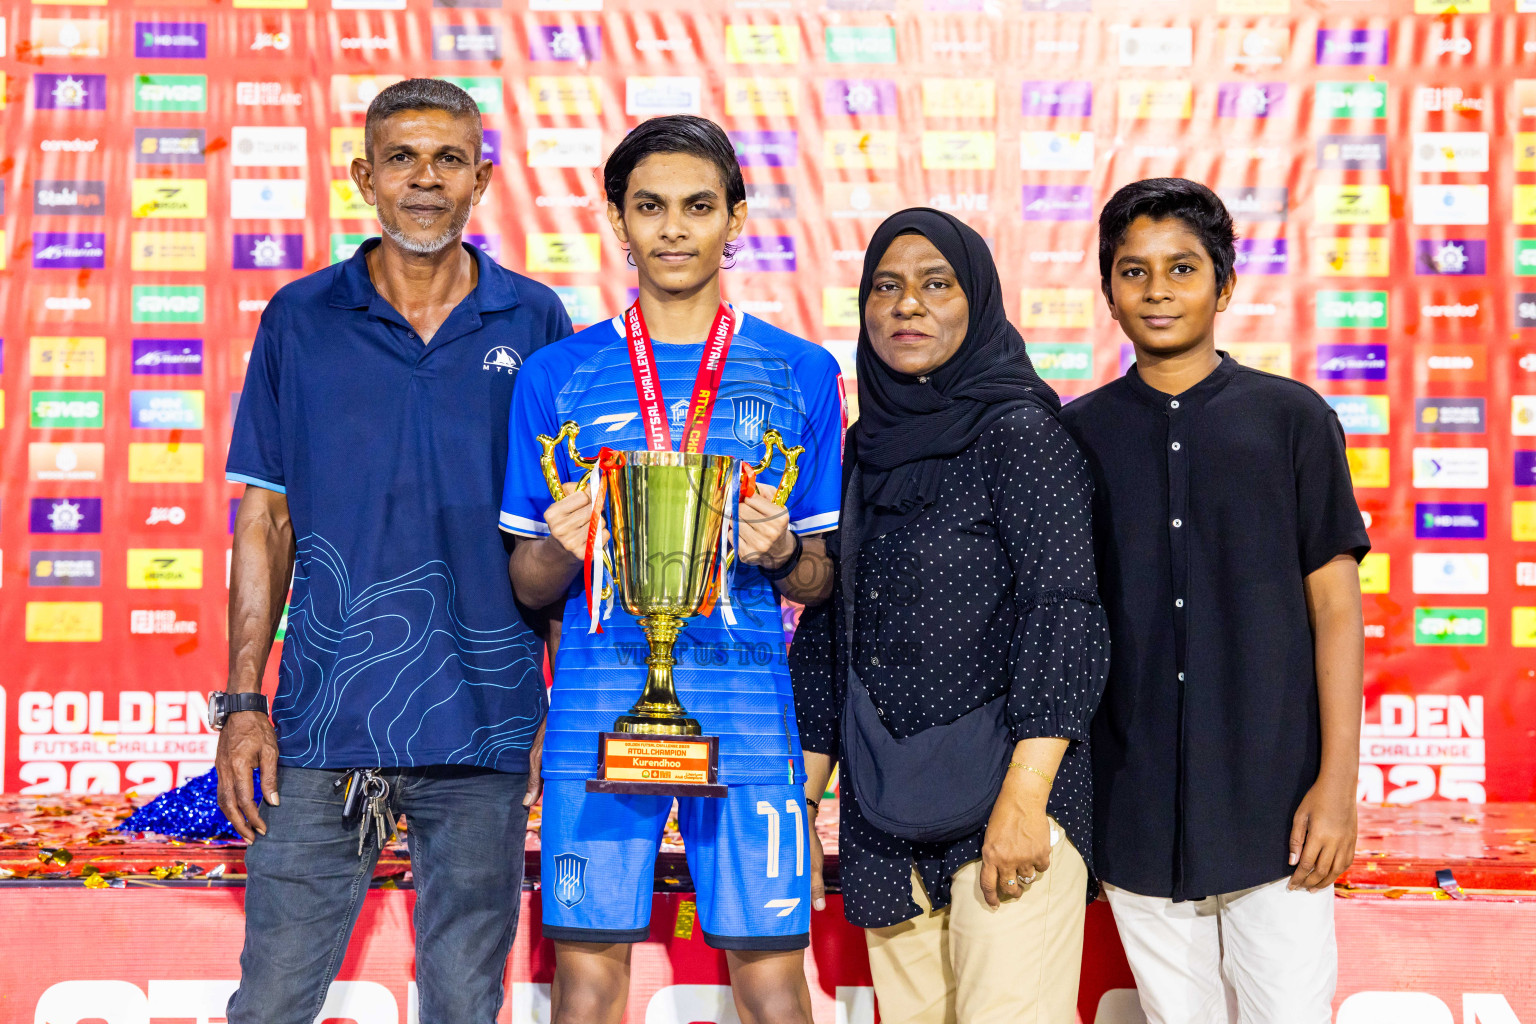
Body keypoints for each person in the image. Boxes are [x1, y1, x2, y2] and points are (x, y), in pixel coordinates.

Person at [217, 78, 573, 1023]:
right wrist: (245, 705)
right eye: (403, 158)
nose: (425, 179)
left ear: (482, 179)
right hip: (316, 729)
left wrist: (560, 704)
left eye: (448, 159)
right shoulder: (299, 317)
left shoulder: (535, 322)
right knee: (271, 1003)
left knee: (464, 1005)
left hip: (488, 722)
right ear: (363, 176)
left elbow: (565, 533)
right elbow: (265, 520)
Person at [498, 114, 843, 1024]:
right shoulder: (556, 376)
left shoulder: (798, 371)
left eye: (698, 207)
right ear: (618, 220)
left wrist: (783, 554)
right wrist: (559, 547)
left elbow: (824, 581)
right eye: (649, 207)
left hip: (749, 707)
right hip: (595, 706)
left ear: (736, 220)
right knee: (587, 978)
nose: (674, 229)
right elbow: (528, 586)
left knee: (772, 980)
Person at [789, 208, 1111, 1024]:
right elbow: (832, 635)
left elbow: (1065, 614)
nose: (908, 306)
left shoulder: (1022, 433)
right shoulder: (862, 448)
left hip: (1008, 806)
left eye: (937, 285)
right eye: (887, 287)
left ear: (979, 303)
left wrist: (1025, 799)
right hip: (883, 816)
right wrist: (799, 807)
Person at [1059, 177, 1369, 1024]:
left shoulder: (1292, 420)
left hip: (1280, 804)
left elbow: (1337, 610)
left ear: (1225, 285)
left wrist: (1336, 784)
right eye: (1134, 271)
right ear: (1107, 290)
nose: (1158, 290)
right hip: (1135, 804)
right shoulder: (1076, 436)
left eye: (1183, 268)